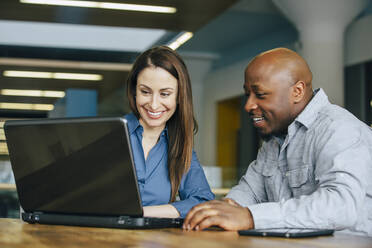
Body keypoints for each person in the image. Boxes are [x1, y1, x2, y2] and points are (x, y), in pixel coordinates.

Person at [183, 47, 372, 236]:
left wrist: (250, 217)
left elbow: (340, 207)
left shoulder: (339, 129)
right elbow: (249, 192)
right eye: (247, 94)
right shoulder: (275, 141)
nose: (248, 105)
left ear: (297, 91)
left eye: (261, 95)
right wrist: (220, 212)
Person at [125, 46, 214, 218]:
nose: (154, 104)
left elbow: (203, 200)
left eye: (165, 94)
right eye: (145, 92)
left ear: (179, 96)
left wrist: (141, 213)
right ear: (134, 91)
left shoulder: (180, 147)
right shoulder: (109, 136)